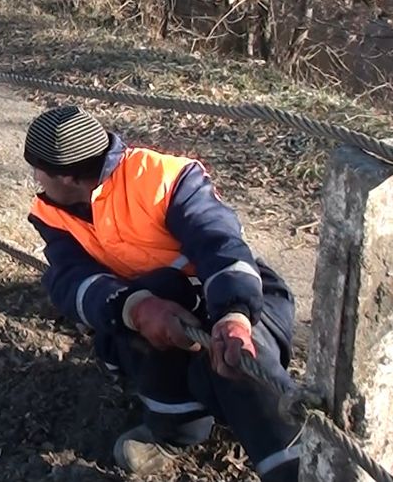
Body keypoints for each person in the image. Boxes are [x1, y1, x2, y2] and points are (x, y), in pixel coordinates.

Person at [23, 105, 301, 481]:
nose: (36, 180)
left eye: (38, 171)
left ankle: (298, 463)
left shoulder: (162, 177)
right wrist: (136, 308)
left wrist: (234, 313)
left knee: (239, 361)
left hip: (234, 292)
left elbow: (218, 242)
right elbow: (69, 278)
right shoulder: (51, 213)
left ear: (68, 177)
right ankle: (178, 431)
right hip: (157, 300)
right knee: (132, 332)